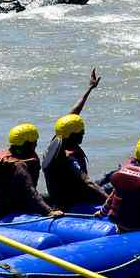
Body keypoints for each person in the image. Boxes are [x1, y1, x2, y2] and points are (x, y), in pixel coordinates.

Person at [42, 70, 107, 208]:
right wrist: (110, 203)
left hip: (66, 191)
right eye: (81, 133)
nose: (83, 134)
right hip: (73, 199)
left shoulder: (58, 139)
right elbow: (87, 183)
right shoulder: (70, 157)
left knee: (111, 175)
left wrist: (90, 89)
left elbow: (72, 115)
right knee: (114, 186)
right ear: (73, 135)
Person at [0, 123, 62, 221]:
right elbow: (31, 192)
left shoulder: (8, 157)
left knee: (49, 196)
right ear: (27, 144)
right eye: (34, 142)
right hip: (9, 209)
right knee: (55, 199)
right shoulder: (18, 166)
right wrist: (49, 211)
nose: (36, 144)